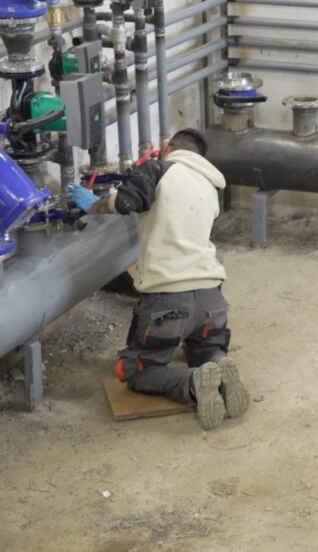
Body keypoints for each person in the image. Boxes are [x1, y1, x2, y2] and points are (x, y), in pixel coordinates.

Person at [68, 128, 249, 430]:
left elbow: (127, 203)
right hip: (212, 300)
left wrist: (94, 204)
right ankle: (218, 365)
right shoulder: (211, 186)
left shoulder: (157, 169)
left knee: (135, 370)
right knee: (204, 351)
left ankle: (192, 384)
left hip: (168, 301)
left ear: (169, 148)